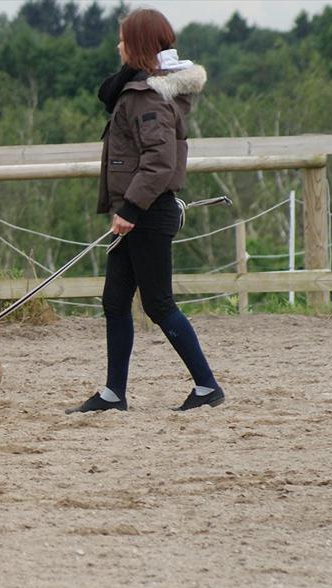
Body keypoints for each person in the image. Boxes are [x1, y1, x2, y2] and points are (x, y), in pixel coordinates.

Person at [67, 8, 225, 414]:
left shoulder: (148, 97)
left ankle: (207, 387)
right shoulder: (137, 90)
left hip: (147, 214)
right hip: (138, 212)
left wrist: (132, 208)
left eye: (123, 39)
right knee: (115, 301)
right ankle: (113, 394)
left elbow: (159, 160)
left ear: (136, 44)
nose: (117, 45)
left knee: (158, 304)